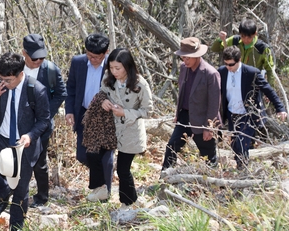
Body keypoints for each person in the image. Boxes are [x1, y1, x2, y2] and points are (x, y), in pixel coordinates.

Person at [0, 52, 50, 231]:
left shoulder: (36, 89)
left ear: (20, 74)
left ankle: (16, 228)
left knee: (20, 188)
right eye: (1, 78)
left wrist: (30, 135)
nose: (5, 83)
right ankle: (4, 192)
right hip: (1, 139)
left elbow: (44, 120)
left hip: (23, 146)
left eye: (9, 80)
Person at [218, 46, 287, 169]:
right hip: (231, 113)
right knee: (235, 145)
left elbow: (268, 90)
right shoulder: (222, 72)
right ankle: (241, 166)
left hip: (248, 114)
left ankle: (242, 170)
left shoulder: (251, 72)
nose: (228, 67)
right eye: (226, 64)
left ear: (239, 60)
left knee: (242, 142)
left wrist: (280, 108)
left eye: (231, 64)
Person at [64, 33, 114, 202]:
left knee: (106, 157)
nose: (92, 59)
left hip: (106, 117)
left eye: (96, 57)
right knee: (83, 155)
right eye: (89, 55)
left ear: (106, 52)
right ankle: (101, 181)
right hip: (84, 114)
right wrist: (69, 110)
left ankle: (105, 193)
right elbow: (70, 87)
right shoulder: (78, 62)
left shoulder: (114, 66)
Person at [100, 48, 153, 208]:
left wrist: (125, 112)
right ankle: (128, 201)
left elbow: (148, 110)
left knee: (123, 169)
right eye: (111, 68)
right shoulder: (108, 79)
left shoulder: (140, 84)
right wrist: (103, 101)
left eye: (118, 68)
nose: (114, 72)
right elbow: (101, 94)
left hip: (131, 131)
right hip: (112, 129)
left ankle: (129, 202)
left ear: (127, 66)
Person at [21, 34, 66, 207]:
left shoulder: (50, 69)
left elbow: (61, 93)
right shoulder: (16, 68)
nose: (38, 61)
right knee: (14, 162)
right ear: (24, 53)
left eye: (42, 57)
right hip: (19, 124)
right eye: (34, 58)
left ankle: (42, 197)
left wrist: (46, 113)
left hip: (42, 126)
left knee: (40, 163)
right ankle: (13, 195)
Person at [162, 37, 222, 169]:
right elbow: (182, 92)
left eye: (188, 57)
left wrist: (209, 127)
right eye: (183, 57)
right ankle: (163, 180)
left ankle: (214, 185)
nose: (185, 60)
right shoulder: (184, 68)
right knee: (171, 147)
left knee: (208, 156)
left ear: (198, 56)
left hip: (203, 118)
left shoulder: (211, 74)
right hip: (184, 116)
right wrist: (178, 113)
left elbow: (214, 103)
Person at [211, 18, 276, 87]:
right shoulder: (234, 41)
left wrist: (270, 88)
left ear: (255, 34)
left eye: (249, 37)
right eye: (243, 36)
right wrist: (220, 39)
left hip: (252, 85)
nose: (246, 40)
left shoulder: (262, 48)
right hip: (234, 83)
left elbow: (270, 70)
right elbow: (215, 49)